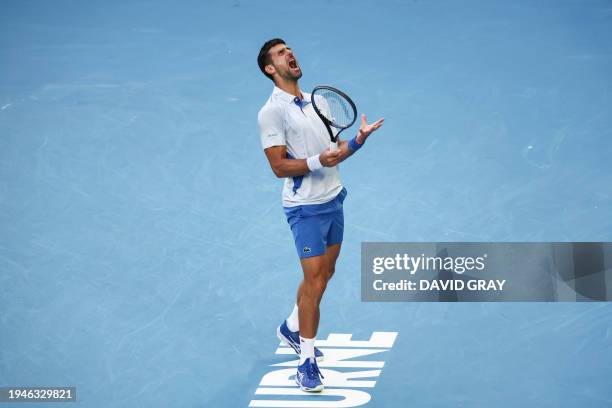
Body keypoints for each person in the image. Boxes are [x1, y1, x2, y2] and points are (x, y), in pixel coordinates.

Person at [256, 38, 384, 392]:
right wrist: (316, 162)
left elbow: (334, 154)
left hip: (333, 200)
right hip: (305, 210)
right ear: (270, 69)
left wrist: (357, 141)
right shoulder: (271, 112)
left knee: (326, 274)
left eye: (289, 50)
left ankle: (291, 326)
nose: (290, 54)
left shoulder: (318, 101)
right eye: (281, 53)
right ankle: (306, 361)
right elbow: (279, 166)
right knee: (314, 281)